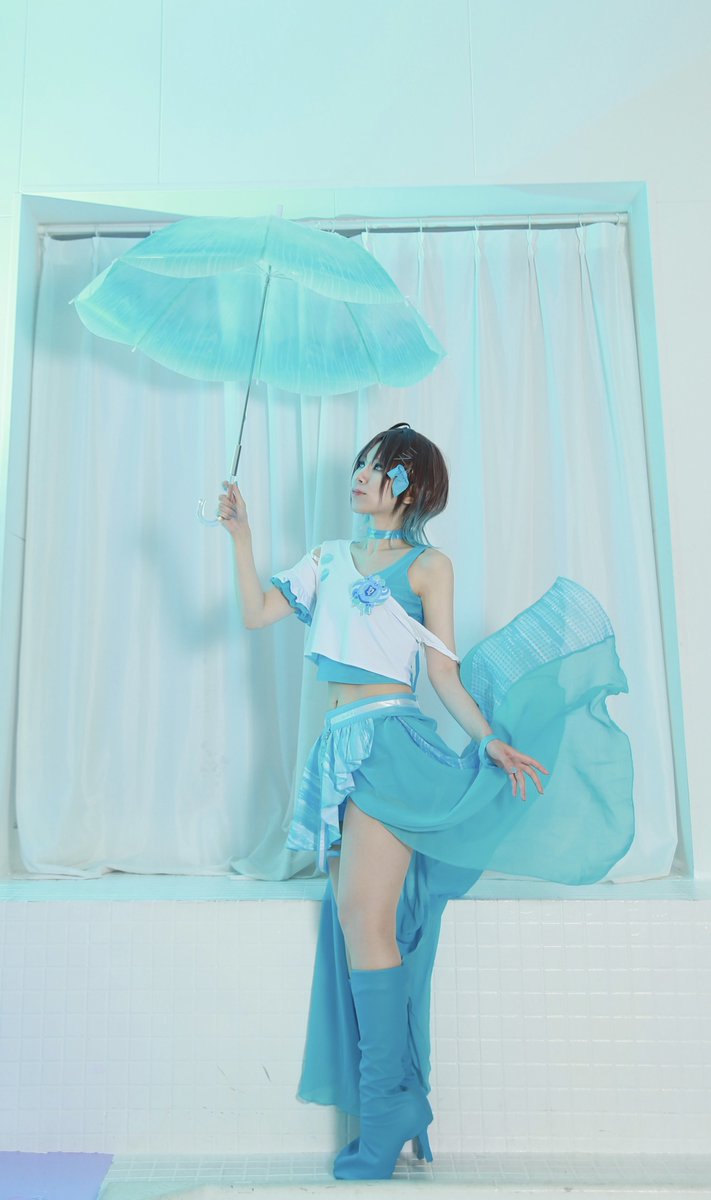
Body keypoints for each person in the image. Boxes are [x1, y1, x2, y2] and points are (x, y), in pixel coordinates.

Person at [217, 421, 635, 1181]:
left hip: (389, 744)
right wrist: (241, 536)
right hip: (339, 747)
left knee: (364, 920)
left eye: (378, 466)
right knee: (359, 923)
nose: (360, 474)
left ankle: (386, 1114)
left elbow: (442, 673)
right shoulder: (327, 559)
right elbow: (255, 613)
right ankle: (397, 1102)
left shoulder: (429, 566)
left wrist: (489, 740)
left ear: (409, 486)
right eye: (361, 462)